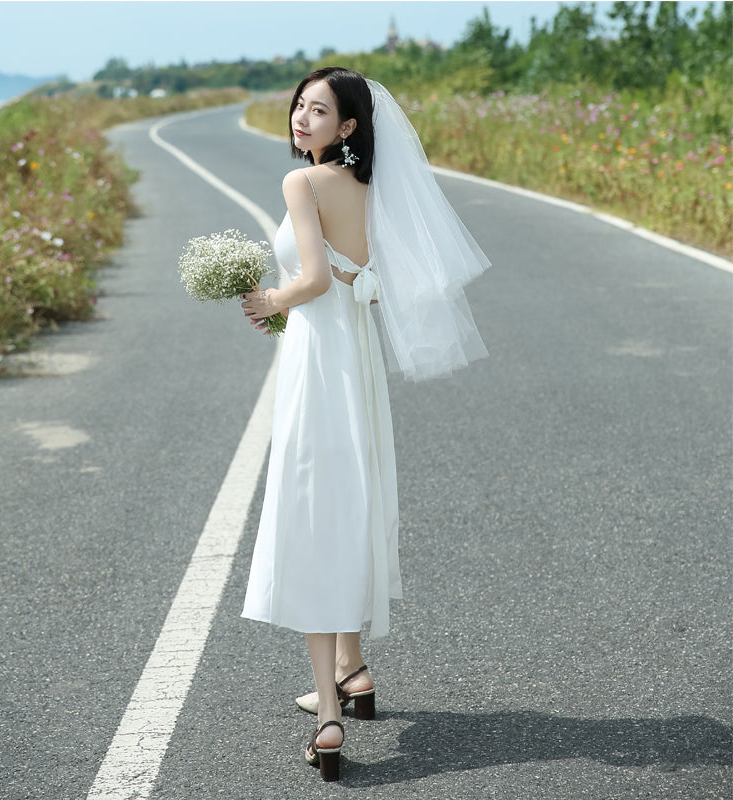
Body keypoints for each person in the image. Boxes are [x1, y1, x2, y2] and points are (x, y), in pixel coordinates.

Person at [240, 67, 489, 782]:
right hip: (356, 359)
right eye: (299, 106)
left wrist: (268, 301)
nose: (301, 118)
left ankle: (326, 714)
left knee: (317, 513)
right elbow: (360, 282)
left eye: (318, 111)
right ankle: (351, 671)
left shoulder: (302, 185)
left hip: (319, 363)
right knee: (349, 504)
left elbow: (314, 278)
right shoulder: (370, 189)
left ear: (347, 127)